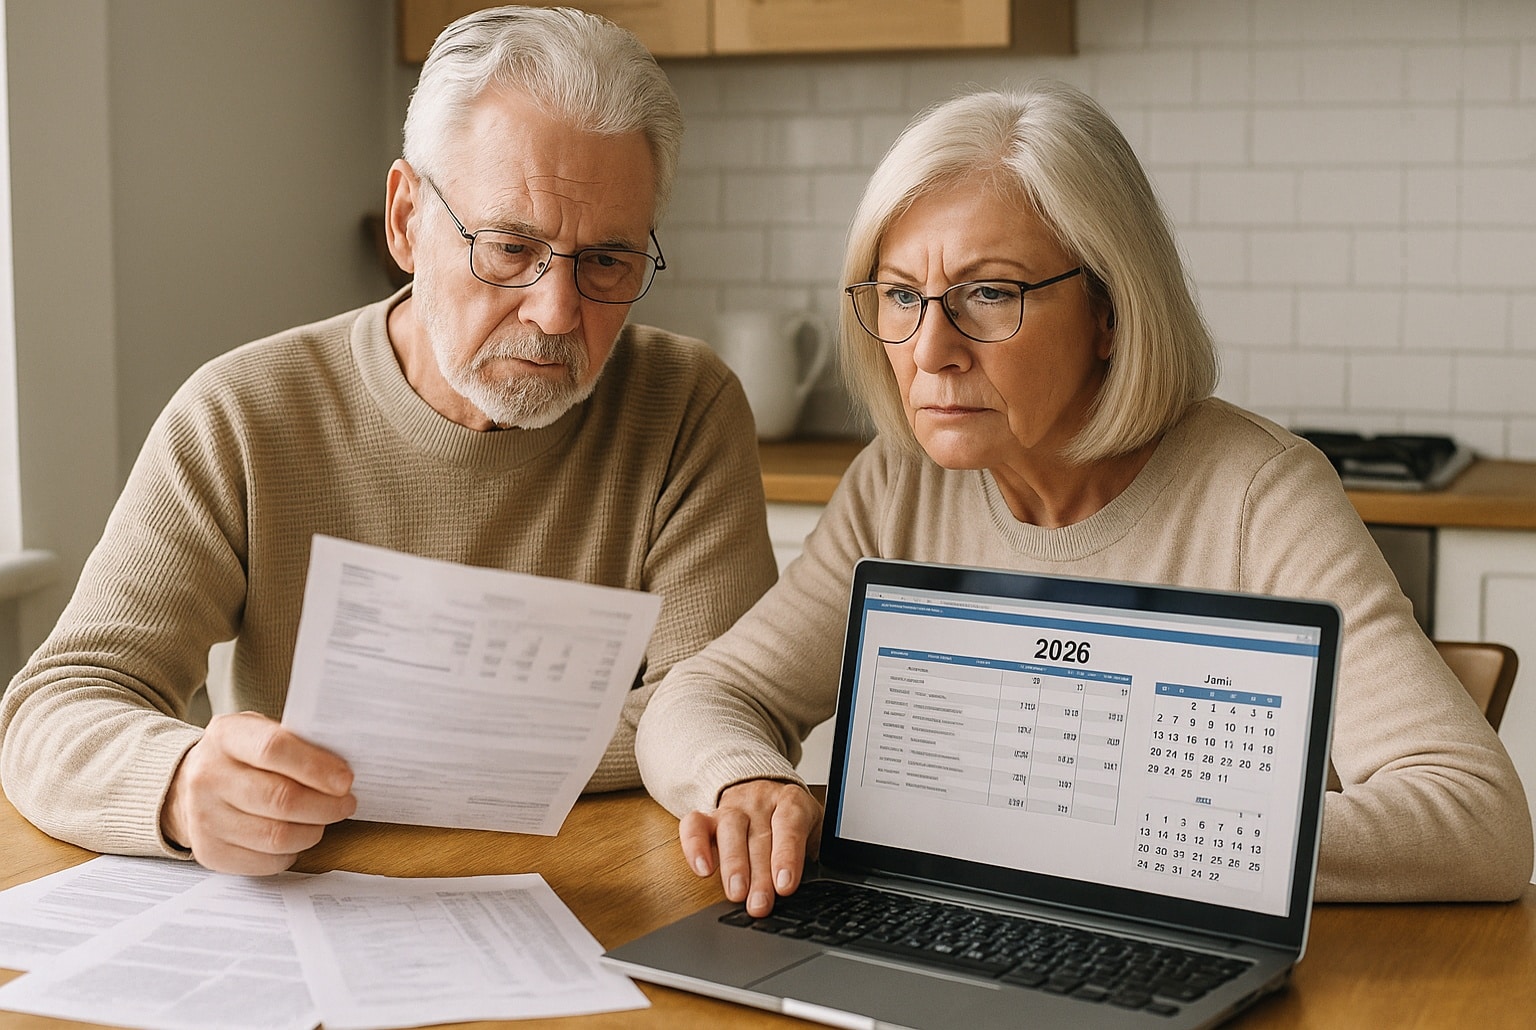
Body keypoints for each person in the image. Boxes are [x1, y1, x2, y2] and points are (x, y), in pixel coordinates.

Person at [635, 80, 1534, 916]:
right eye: (903, 296)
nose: (931, 349)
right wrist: (746, 782)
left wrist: (1095, 844)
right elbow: (704, 696)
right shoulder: (900, 482)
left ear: (1111, 311)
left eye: (989, 293)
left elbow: (1479, 823)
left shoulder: (1260, 492)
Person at [0, 6, 777, 875]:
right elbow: (56, 706)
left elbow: (721, 703)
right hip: (318, 896)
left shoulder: (683, 405)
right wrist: (182, 784)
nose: (557, 312)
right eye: (510, 247)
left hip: (598, 880)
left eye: (606, 261)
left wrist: (406, 752)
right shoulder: (243, 414)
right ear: (407, 220)